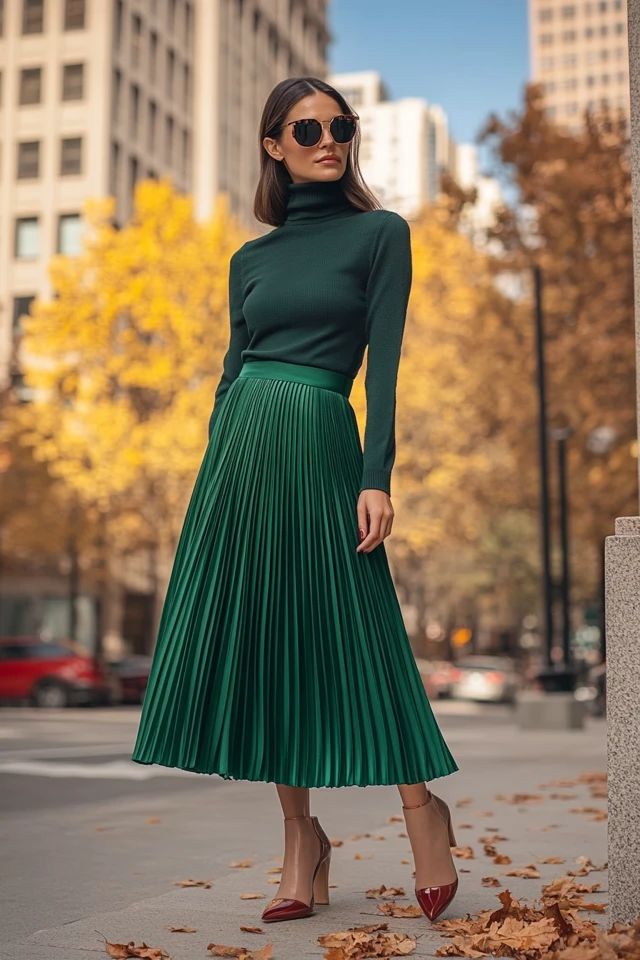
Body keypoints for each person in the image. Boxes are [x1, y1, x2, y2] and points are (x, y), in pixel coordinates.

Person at [131, 76, 460, 924]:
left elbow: (382, 369)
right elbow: (231, 372)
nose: (328, 139)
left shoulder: (380, 234)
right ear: (274, 145)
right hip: (241, 454)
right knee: (270, 637)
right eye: (307, 128)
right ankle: (299, 843)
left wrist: (376, 474)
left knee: (359, 623)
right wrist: (214, 479)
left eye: (340, 126)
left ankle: (422, 809)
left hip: (322, 440)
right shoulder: (251, 258)